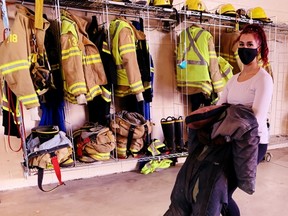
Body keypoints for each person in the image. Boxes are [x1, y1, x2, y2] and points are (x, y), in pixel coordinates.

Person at [217, 23, 274, 215]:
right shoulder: (233, 79)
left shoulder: (263, 79)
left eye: (250, 44)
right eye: (241, 44)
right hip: (230, 140)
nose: (245, 49)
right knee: (214, 188)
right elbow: (219, 108)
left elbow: (255, 119)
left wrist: (228, 122)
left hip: (253, 143)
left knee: (223, 192)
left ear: (260, 49)